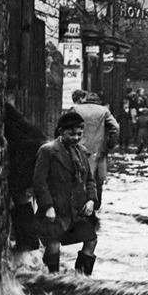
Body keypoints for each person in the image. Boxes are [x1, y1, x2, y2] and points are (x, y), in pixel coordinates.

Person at [33, 110, 99, 275]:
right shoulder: (48, 151)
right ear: (61, 131)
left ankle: (80, 279)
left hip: (77, 210)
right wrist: (48, 207)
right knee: (53, 243)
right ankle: (52, 278)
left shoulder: (81, 151)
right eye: (71, 134)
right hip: (55, 209)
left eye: (79, 134)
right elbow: (39, 182)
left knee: (91, 240)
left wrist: (91, 200)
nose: (76, 138)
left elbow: (90, 179)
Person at [4, 101, 45, 254]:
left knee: (19, 194)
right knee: (23, 197)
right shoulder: (11, 112)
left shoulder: (5, 111)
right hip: (32, 150)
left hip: (26, 154)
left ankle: (27, 243)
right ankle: (28, 243)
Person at [70, 89, 119, 211]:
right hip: (99, 151)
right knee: (99, 180)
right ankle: (96, 209)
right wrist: (109, 145)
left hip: (78, 150)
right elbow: (115, 128)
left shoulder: (76, 109)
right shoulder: (104, 111)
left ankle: (80, 210)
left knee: (79, 179)